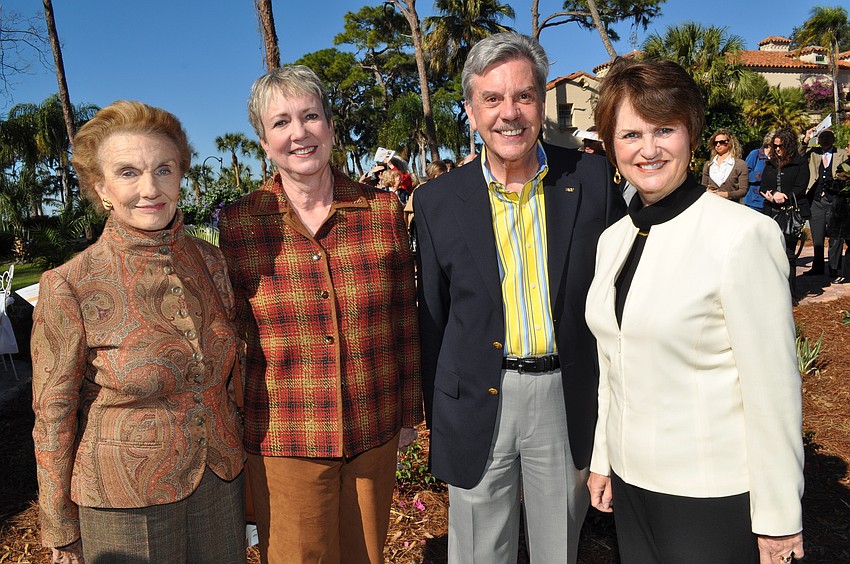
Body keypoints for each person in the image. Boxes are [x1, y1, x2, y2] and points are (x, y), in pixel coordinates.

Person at [414, 32, 625, 564]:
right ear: (470, 112)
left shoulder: (593, 180)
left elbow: (621, 296)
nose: (509, 113)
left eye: (523, 96)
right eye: (492, 99)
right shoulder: (436, 201)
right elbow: (433, 317)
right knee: (479, 552)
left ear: (540, 103)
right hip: (477, 399)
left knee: (559, 549)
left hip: (565, 395)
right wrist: (438, 417)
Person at [586, 58, 804, 564]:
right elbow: (612, 365)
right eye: (631, 134)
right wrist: (603, 458)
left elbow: (773, 390)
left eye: (665, 129)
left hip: (711, 494)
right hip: (631, 485)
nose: (648, 149)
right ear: (612, 146)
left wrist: (778, 519)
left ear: (693, 134)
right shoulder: (612, 240)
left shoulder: (742, 236)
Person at [217, 65, 422, 564]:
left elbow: (404, 320)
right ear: (264, 142)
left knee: (366, 556)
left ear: (329, 126)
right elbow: (233, 334)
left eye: (310, 116)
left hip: (373, 428)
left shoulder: (382, 212)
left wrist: (409, 414)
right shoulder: (241, 223)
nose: (299, 133)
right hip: (285, 435)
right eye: (281, 122)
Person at [31, 100, 246, 564]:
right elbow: (53, 413)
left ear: (180, 175)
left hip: (219, 483)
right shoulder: (70, 284)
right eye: (128, 173)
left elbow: (233, 376)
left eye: (163, 169)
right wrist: (59, 523)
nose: (150, 189)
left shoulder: (211, 262)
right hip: (122, 502)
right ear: (101, 188)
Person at [760, 128, 811, 296]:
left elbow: (801, 186)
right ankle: (773, 292)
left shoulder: (800, 162)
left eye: (780, 146)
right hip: (771, 211)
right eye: (775, 146)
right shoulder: (770, 163)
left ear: (788, 145)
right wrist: (772, 194)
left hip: (790, 213)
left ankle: (790, 293)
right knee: (770, 253)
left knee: (788, 253)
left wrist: (785, 196)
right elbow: (763, 186)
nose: (777, 149)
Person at [802, 128, 849, 277]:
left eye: (828, 137)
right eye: (823, 137)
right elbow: (798, 155)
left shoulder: (841, 153)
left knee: (836, 236)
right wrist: (806, 138)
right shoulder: (813, 153)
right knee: (817, 236)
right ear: (818, 140)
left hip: (835, 200)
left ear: (833, 139)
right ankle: (818, 266)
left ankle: (834, 268)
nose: (825, 140)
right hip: (816, 200)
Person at [701, 128, 748, 202]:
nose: (718, 145)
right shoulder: (708, 165)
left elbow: (743, 191)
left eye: (722, 142)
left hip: (731, 205)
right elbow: (703, 186)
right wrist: (707, 190)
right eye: (715, 143)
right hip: (711, 204)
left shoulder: (740, 165)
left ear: (730, 143)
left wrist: (725, 194)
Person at [742, 131, 775, 211]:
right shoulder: (755, 154)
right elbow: (744, 174)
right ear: (769, 143)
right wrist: (762, 176)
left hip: (771, 203)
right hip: (753, 202)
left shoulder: (778, 158)